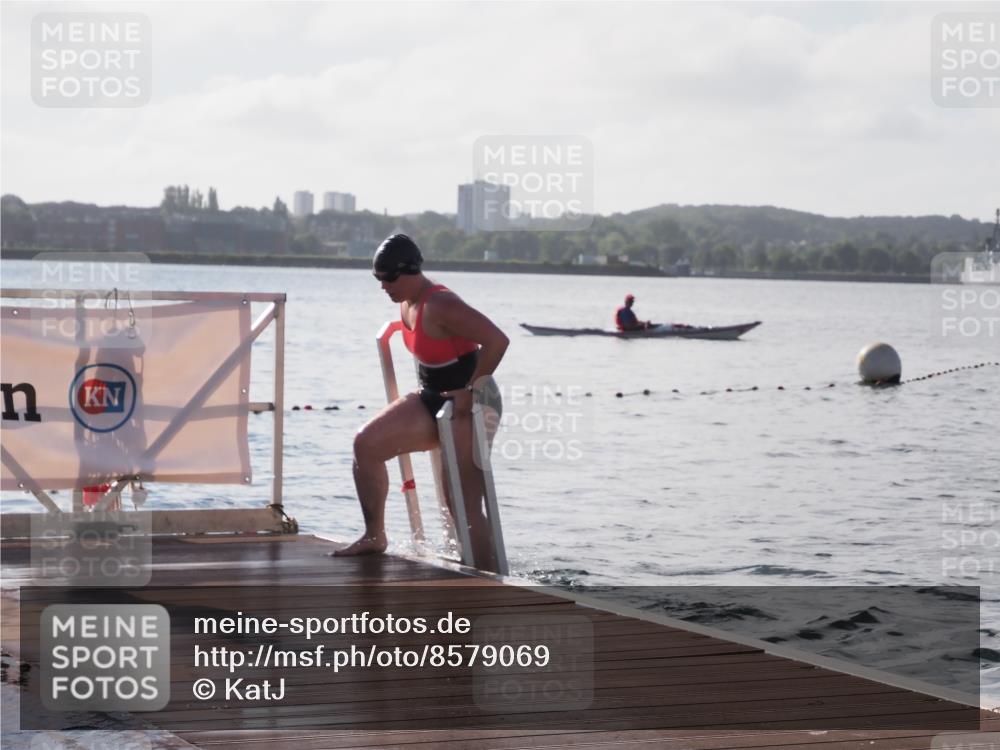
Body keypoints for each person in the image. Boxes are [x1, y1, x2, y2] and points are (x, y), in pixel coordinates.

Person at [334, 234, 509, 569]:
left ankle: (488, 575)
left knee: (460, 500)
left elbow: (497, 340)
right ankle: (374, 537)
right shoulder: (406, 302)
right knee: (366, 445)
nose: (383, 286)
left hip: (472, 403)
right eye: (377, 278)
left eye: (388, 277)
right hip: (434, 397)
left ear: (409, 270)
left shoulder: (442, 304)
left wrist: (470, 389)